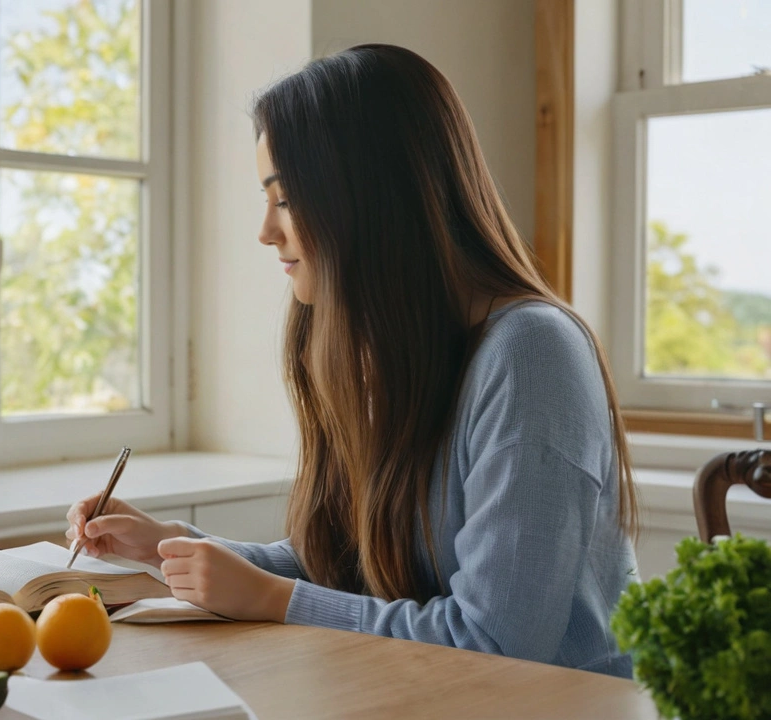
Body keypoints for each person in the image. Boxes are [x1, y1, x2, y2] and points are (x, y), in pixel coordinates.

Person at [66, 44, 638, 678]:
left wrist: (272, 599)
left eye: (284, 199)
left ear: (367, 198)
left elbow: (496, 642)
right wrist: (174, 547)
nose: (265, 230)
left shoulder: (532, 354)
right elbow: (345, 567)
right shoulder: (403, 348)